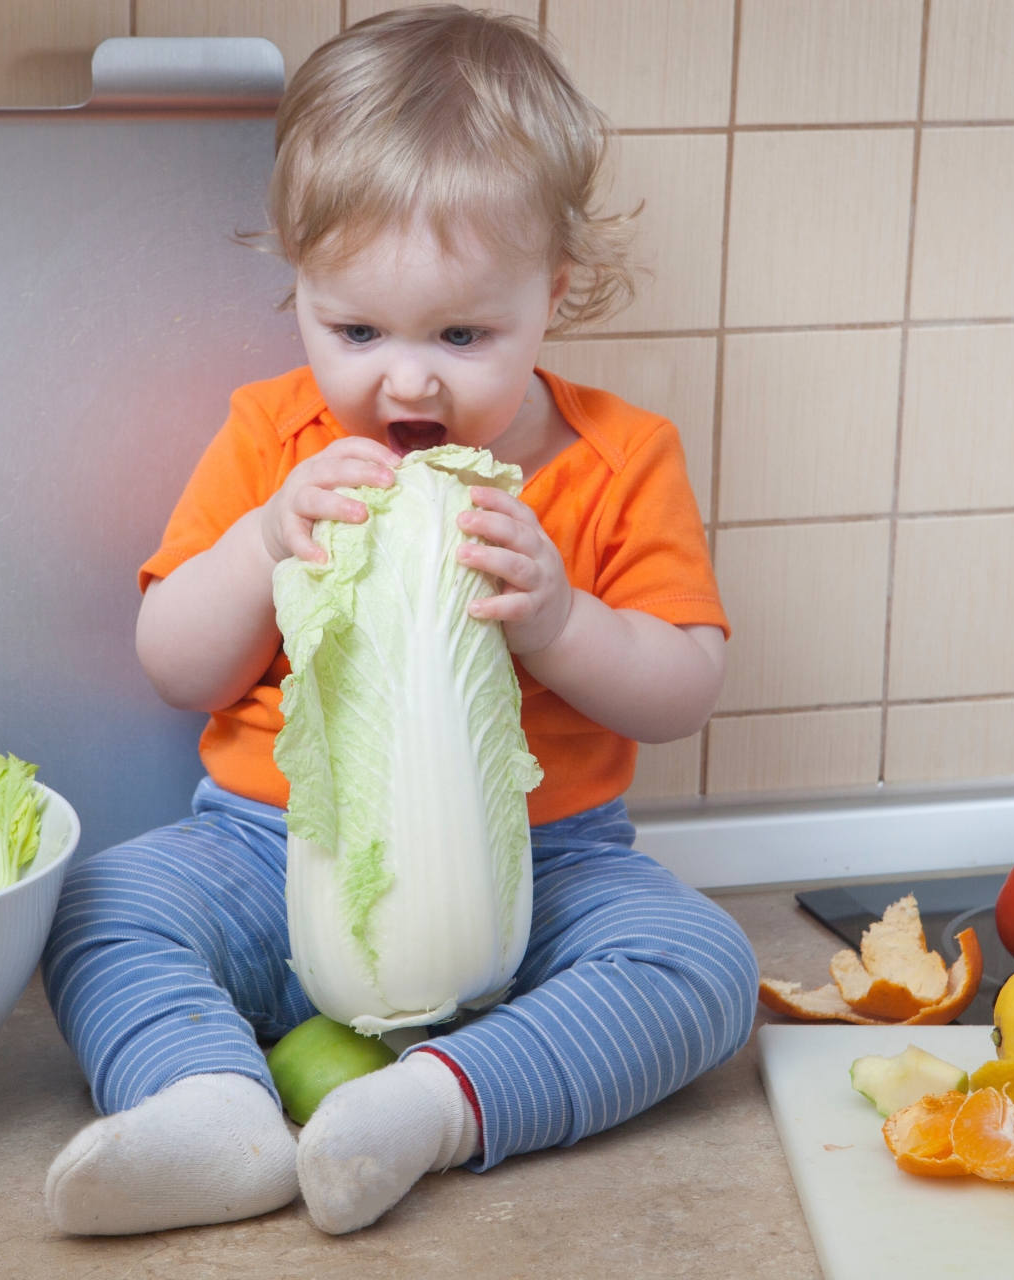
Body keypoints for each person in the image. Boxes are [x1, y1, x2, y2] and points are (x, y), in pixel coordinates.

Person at [40, 5, 757, 1238]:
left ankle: (437, 1106)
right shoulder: (278, 441)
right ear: (299, 289)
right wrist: (265, 540)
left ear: (555, 296)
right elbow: (174, 662)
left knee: (705, 962)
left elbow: (685, 686)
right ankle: (210, 1105)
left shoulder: (622, 457)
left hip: (550, 869)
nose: (406, 380)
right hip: (273, 850)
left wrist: (561, 620)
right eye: (355, 330)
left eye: (463, 335)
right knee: (96, 905)